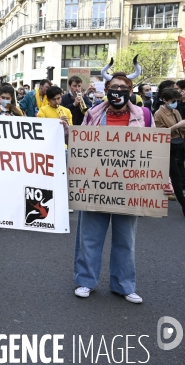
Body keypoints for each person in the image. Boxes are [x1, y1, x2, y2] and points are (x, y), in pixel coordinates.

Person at [74, 68, 153, 304]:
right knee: (89, 236)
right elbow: (81, 145)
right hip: (95, 184)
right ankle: (85, 281)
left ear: (130, 91)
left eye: (123, 89)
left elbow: (154, 151)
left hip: (129, 187)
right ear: (106, 91)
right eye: (113, 88)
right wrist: (68, 133)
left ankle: (124, 285)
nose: (118, 92)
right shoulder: (92, 115)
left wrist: (159, 183)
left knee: (125, 239)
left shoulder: (145, 115)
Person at [154, 88, 185, 216]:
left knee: (178, 174)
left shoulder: (176, 111)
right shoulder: (158, 114)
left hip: (179, 145)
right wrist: (177, 126)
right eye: (173, 101)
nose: (175, 103)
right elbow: (159, 133)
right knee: (175, 175)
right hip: (168, 147)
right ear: (164, 100)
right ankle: (183, 204)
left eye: (177, 100)